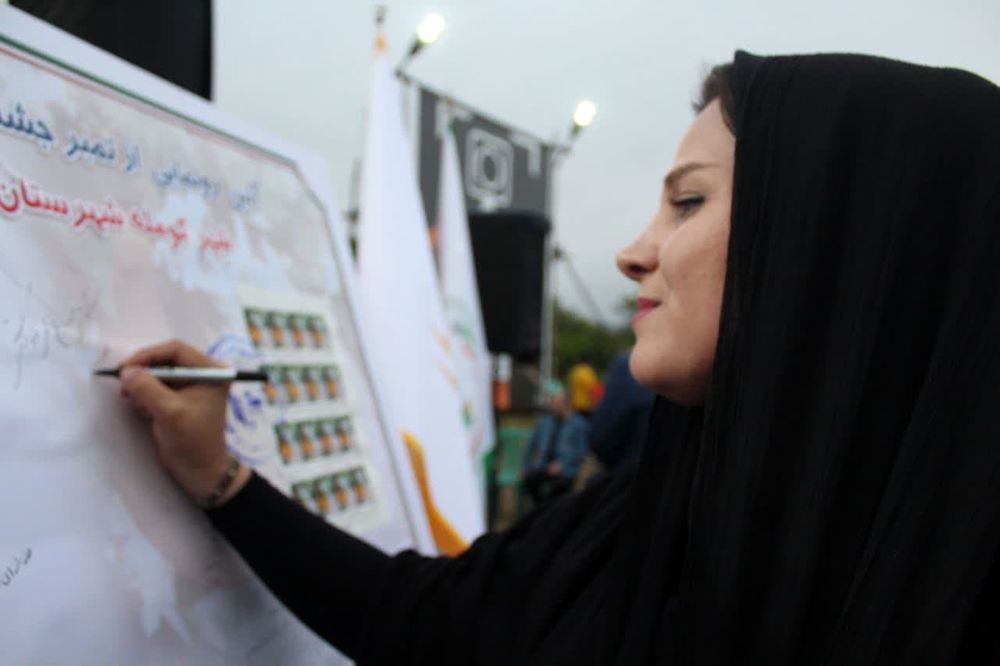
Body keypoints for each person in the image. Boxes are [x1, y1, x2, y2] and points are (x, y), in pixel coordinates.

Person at [119, 51, 1000, 664]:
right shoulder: (625, 526)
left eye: (689, 202)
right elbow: (417, 620)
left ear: (839, 246)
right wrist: (217, 475)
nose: (633, 252)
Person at [573, 350, 656, 490]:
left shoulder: (630, 366)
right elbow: (593, 388)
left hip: (628, 482)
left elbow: (601, 440)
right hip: (587, 408)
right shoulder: (588, 373)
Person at [521, 380, 590, 504]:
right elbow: (531, 447)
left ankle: (548, 510)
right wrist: (525, 466)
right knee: (531, 480)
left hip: (564, 470)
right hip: (542, 466)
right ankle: (542, 509)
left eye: (558, 402)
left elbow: (581, 451)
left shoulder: (578, 425)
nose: (555, 406)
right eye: (553, 402)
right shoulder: (544, 423)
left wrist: (563, 465)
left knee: (559, 487)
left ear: (566, 403)